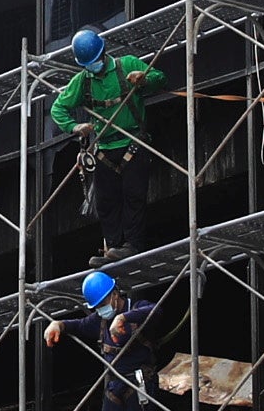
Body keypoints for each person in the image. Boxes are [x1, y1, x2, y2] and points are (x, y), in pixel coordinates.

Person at [48, 26, 173, 251]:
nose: (92, 67)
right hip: (104, 148)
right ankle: (114, 246)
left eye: (94, 62)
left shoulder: (127, 64)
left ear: (103, 53)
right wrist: (74, 126)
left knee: (133, 196)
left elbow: (160, 78)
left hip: (133, 142)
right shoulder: (83, 81)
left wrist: (143, 80)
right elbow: (58, 108)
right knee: (105, 203)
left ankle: (133, 244)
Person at [43, 270, 161, 411]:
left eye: (105, 303)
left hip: (138, 381)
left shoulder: (136, 308)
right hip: (114, 387)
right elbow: (78, 324)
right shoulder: (100, 321)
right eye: (97, 306)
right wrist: (58, 324)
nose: (102, 310)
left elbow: (156, 310)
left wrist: (124, 319)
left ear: (116, 294)